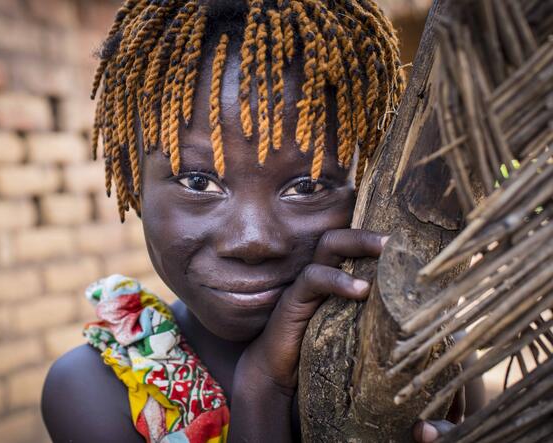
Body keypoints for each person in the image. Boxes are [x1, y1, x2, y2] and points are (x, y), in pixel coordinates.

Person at [41, 1, 482, 441]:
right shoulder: (92, 393)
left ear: (367, 183)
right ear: (134, 179)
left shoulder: (425, 356)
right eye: (198, 181)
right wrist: (260, 394)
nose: (252, 240)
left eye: (306, 187)